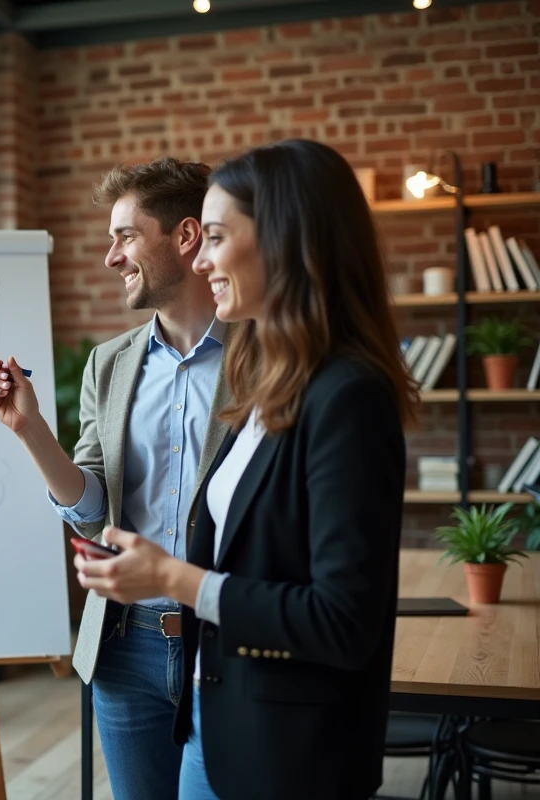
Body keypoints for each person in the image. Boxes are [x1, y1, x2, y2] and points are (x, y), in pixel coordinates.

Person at [74, 139, 416, 800]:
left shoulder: (347, 393)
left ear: (287, 242)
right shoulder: (270, 379)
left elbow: (343, 620)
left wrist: (173, 578)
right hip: (221, 709)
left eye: (218, 237)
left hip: (288, 743)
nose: (201, 259)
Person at [0, 157, 231, 798]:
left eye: (125, 235)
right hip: (127, 645)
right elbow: (95, 508)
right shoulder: (110, 363)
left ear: (186, 236)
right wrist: (30, 429)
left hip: (227, 642)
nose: (111, 257)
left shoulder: (266, 355)